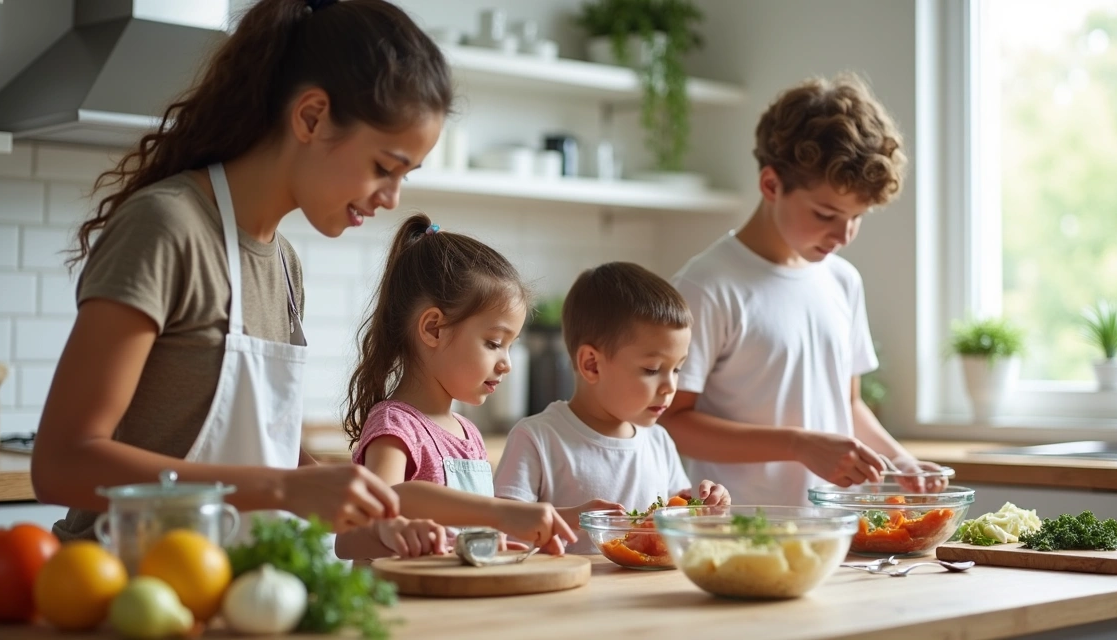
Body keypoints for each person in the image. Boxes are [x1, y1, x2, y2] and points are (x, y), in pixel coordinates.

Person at [29, 0, 558, 545]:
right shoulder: (167, 229)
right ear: (310, 117)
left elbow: (259, 452)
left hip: (242, 589)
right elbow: (63, 464)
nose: (391, 197)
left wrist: (328, 484)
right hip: (128, 590)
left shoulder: (284, 265)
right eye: (384, 167)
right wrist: (281, 489)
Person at [660, 74, 945, 508]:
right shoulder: (708, 285)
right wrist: (797, 444)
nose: (845, 234)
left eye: (857, 216)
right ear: (772, 185)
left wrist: (901, 460)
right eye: (826, 213)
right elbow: (673, 421)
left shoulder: (843, 281)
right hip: (739, 530)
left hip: (834, 528)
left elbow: (847, 406)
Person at [335, 215, 574, 560]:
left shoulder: (468, 435)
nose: (506, 362)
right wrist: (398, 533)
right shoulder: (395, 427)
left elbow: (470, 532)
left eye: (511, 346)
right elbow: (351, 539)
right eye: (494, 343)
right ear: (433, 329)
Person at [494, 262, 730, 554]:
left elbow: (677, 525)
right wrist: (570, 520)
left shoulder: (659, 441)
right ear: (591, 364)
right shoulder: (537, 439)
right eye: (652, 369)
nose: (671, 386)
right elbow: (503, 534)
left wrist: (703, 510)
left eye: (678, 369)